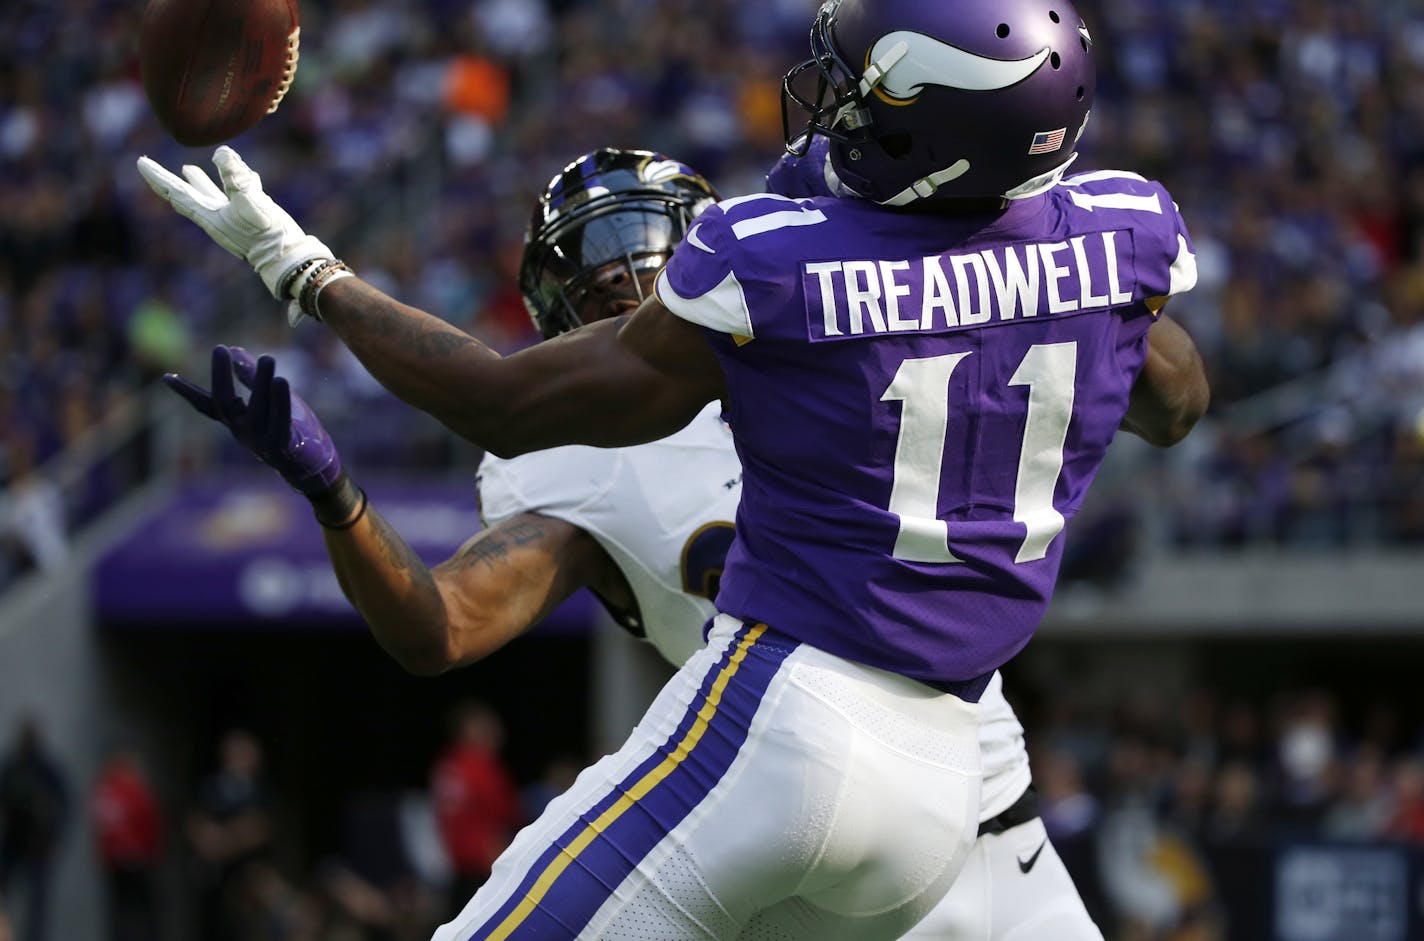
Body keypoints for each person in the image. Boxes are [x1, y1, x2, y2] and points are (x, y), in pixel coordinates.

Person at [137, 0, 1210, 935]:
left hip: (797, 725)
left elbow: (505, 401)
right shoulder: (1116, 238)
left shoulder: (776, 271)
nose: (622, 286)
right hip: (950, 761)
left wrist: (306, 270)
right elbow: (1172, 396)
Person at [430, 703, 521, 912]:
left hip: (453, 862)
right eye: (486, 727)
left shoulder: (446, 764)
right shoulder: (481, 765)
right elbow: (508, 813)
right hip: (483, 864)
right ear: (468, 730)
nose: (496, 732)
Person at [0, 717, 69, 941]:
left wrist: (54, 836)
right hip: (13, 841)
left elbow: (65, 804)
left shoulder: (46, 770)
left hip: (37, 845)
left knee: (38, 904)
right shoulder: (13, 765)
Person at [90, 743, 164, 941]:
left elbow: (101, 826)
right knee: (145, 912)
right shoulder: (134, 790)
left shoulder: (104, 790)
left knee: (119, 910)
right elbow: (151, 821)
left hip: (115, 859)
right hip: (137, 858)